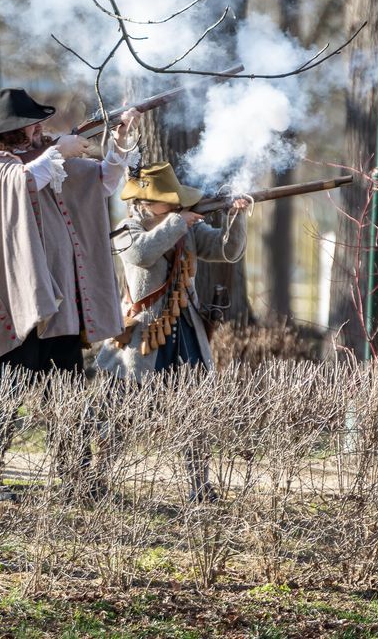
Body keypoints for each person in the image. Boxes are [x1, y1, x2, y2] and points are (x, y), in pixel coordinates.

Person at [0, 87, 135, 501]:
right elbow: (24, 181)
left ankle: (78, 478)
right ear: (14, 130)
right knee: (10, 392)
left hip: (59, 302)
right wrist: (61, 151)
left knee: (67, 391)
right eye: (34, 123)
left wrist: (118, 141)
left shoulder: (46, 160)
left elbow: (103, 181)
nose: (41, 128)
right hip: (19, 302)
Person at [94, 162, 249, 502]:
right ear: (146, 202)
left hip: (185, 328)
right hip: (142, 336)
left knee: (192, 408)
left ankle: (199, 485)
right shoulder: (128, 229)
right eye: (169, 199)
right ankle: (97, 479)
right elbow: (142, 254)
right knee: (120, 412)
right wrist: (179, 222)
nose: (177, 203)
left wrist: (237, 216)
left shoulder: (185, 228)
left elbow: (227, 251)